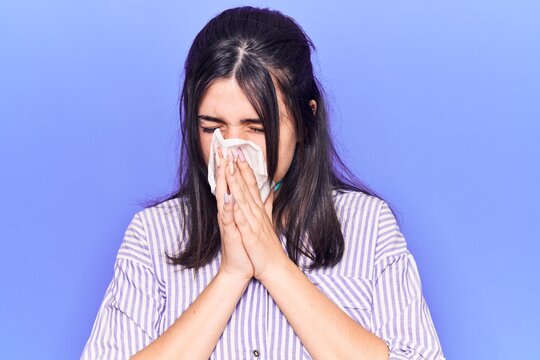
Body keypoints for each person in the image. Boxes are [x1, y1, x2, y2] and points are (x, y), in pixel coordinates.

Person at [81, 6, 445, 360]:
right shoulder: (152, 236)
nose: (233, 150)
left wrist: (275, 266)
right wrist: (231, 276)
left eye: (256, 128)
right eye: (212, 128)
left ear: (305, 121)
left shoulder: (369, 226)